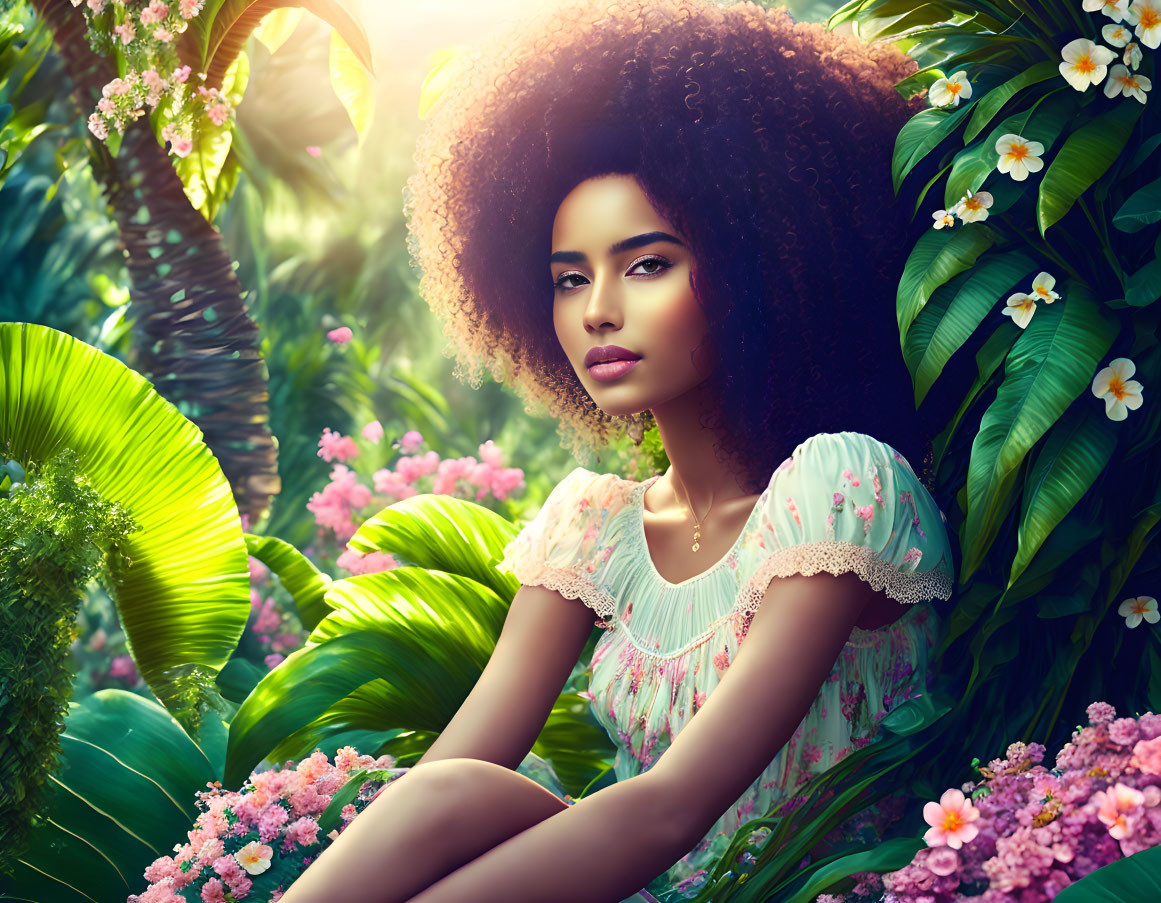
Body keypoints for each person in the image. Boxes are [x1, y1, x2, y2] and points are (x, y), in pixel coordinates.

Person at [277, 1, 957, 901]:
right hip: (640, 881)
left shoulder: (839, 489)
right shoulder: (596, 527)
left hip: (790, 887)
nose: (597, 309)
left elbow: (673, 808)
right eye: (568, 278)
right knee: (451, 792)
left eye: (646, 264)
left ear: (763, 264)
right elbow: (447, 775)